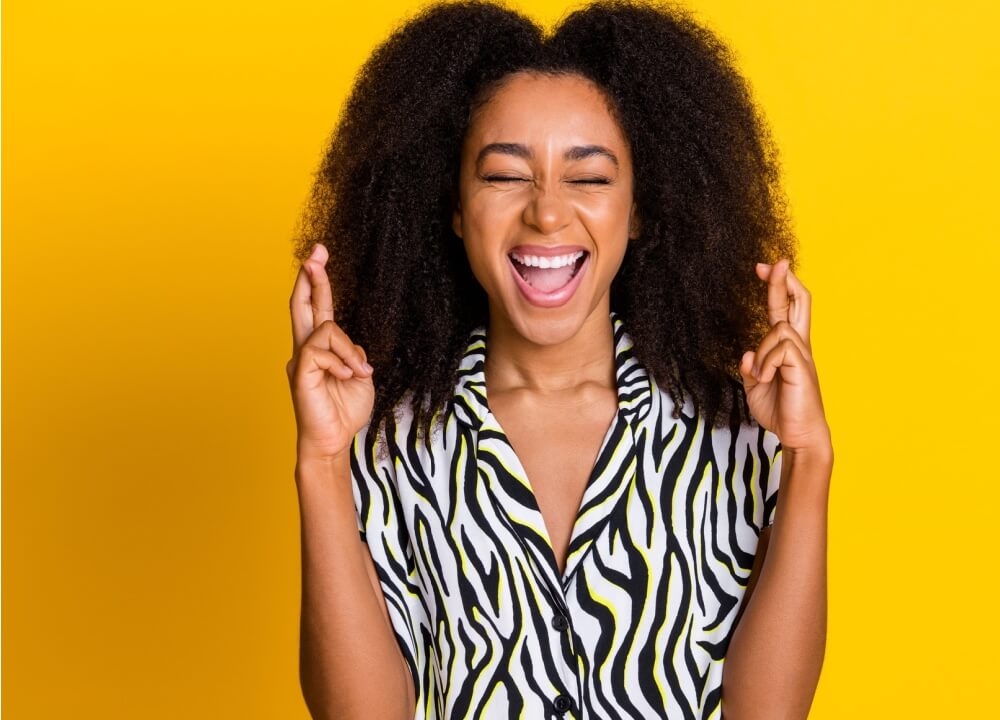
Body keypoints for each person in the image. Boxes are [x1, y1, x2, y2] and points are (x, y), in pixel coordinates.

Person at [285, 1, 833, 718]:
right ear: (452, 206)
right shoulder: (389, 438)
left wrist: (807, 458)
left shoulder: (730, 430)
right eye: (505, 175)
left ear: (641, 208)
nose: (547, 212)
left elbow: (769, 714)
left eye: (592, 178)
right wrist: (322, 461)